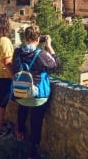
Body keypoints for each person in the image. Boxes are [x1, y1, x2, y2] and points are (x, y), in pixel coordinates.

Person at [12, 24, 59, 159]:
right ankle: (32, 153)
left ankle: (20, 133)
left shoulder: (17, 52)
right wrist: (49, 46)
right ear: (38, 38)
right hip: (38, 97)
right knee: (36, 123)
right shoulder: (41, 55)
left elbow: (15, 68)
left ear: (25, 37)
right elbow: (56, 64)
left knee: (22, 108)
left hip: (20, 92)